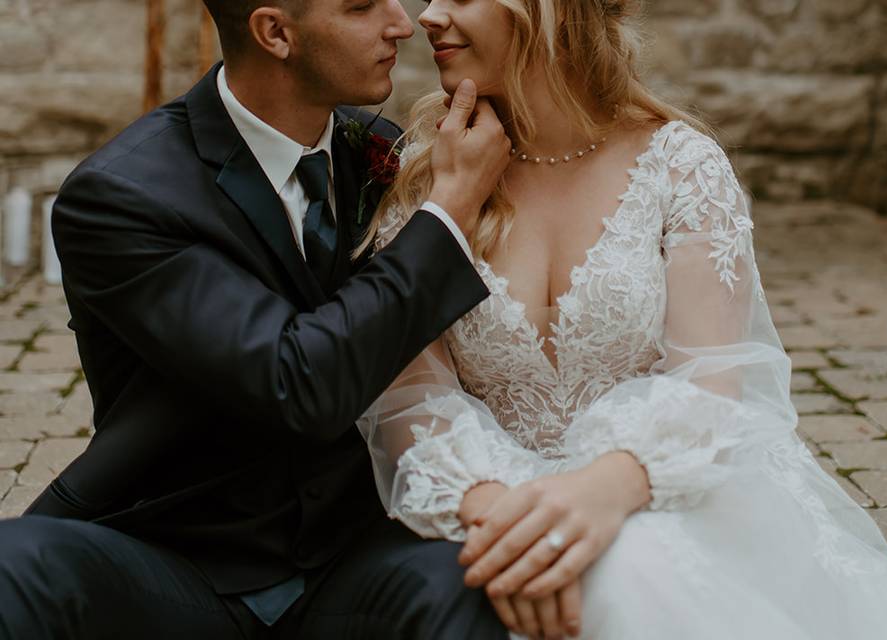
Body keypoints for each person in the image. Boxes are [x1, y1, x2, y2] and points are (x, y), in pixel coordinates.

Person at [357, 0, 887, 638]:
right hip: (490, 507)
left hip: (665, 482)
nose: (427, 14)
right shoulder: (432, 172)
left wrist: (599, 494)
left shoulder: (681, 168)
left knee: (636, 571)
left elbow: (713, 382)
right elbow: (410, 392)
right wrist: (507, 518)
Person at [0, 0, 514, 638]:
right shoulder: (122, 196)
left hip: (360, 554)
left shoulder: (389, 157)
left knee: (480, 582)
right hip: (184, 564)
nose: (402, 23)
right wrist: (446, 214)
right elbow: (297, 380)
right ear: (275, 32)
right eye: (361, 7)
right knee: (12, 568)